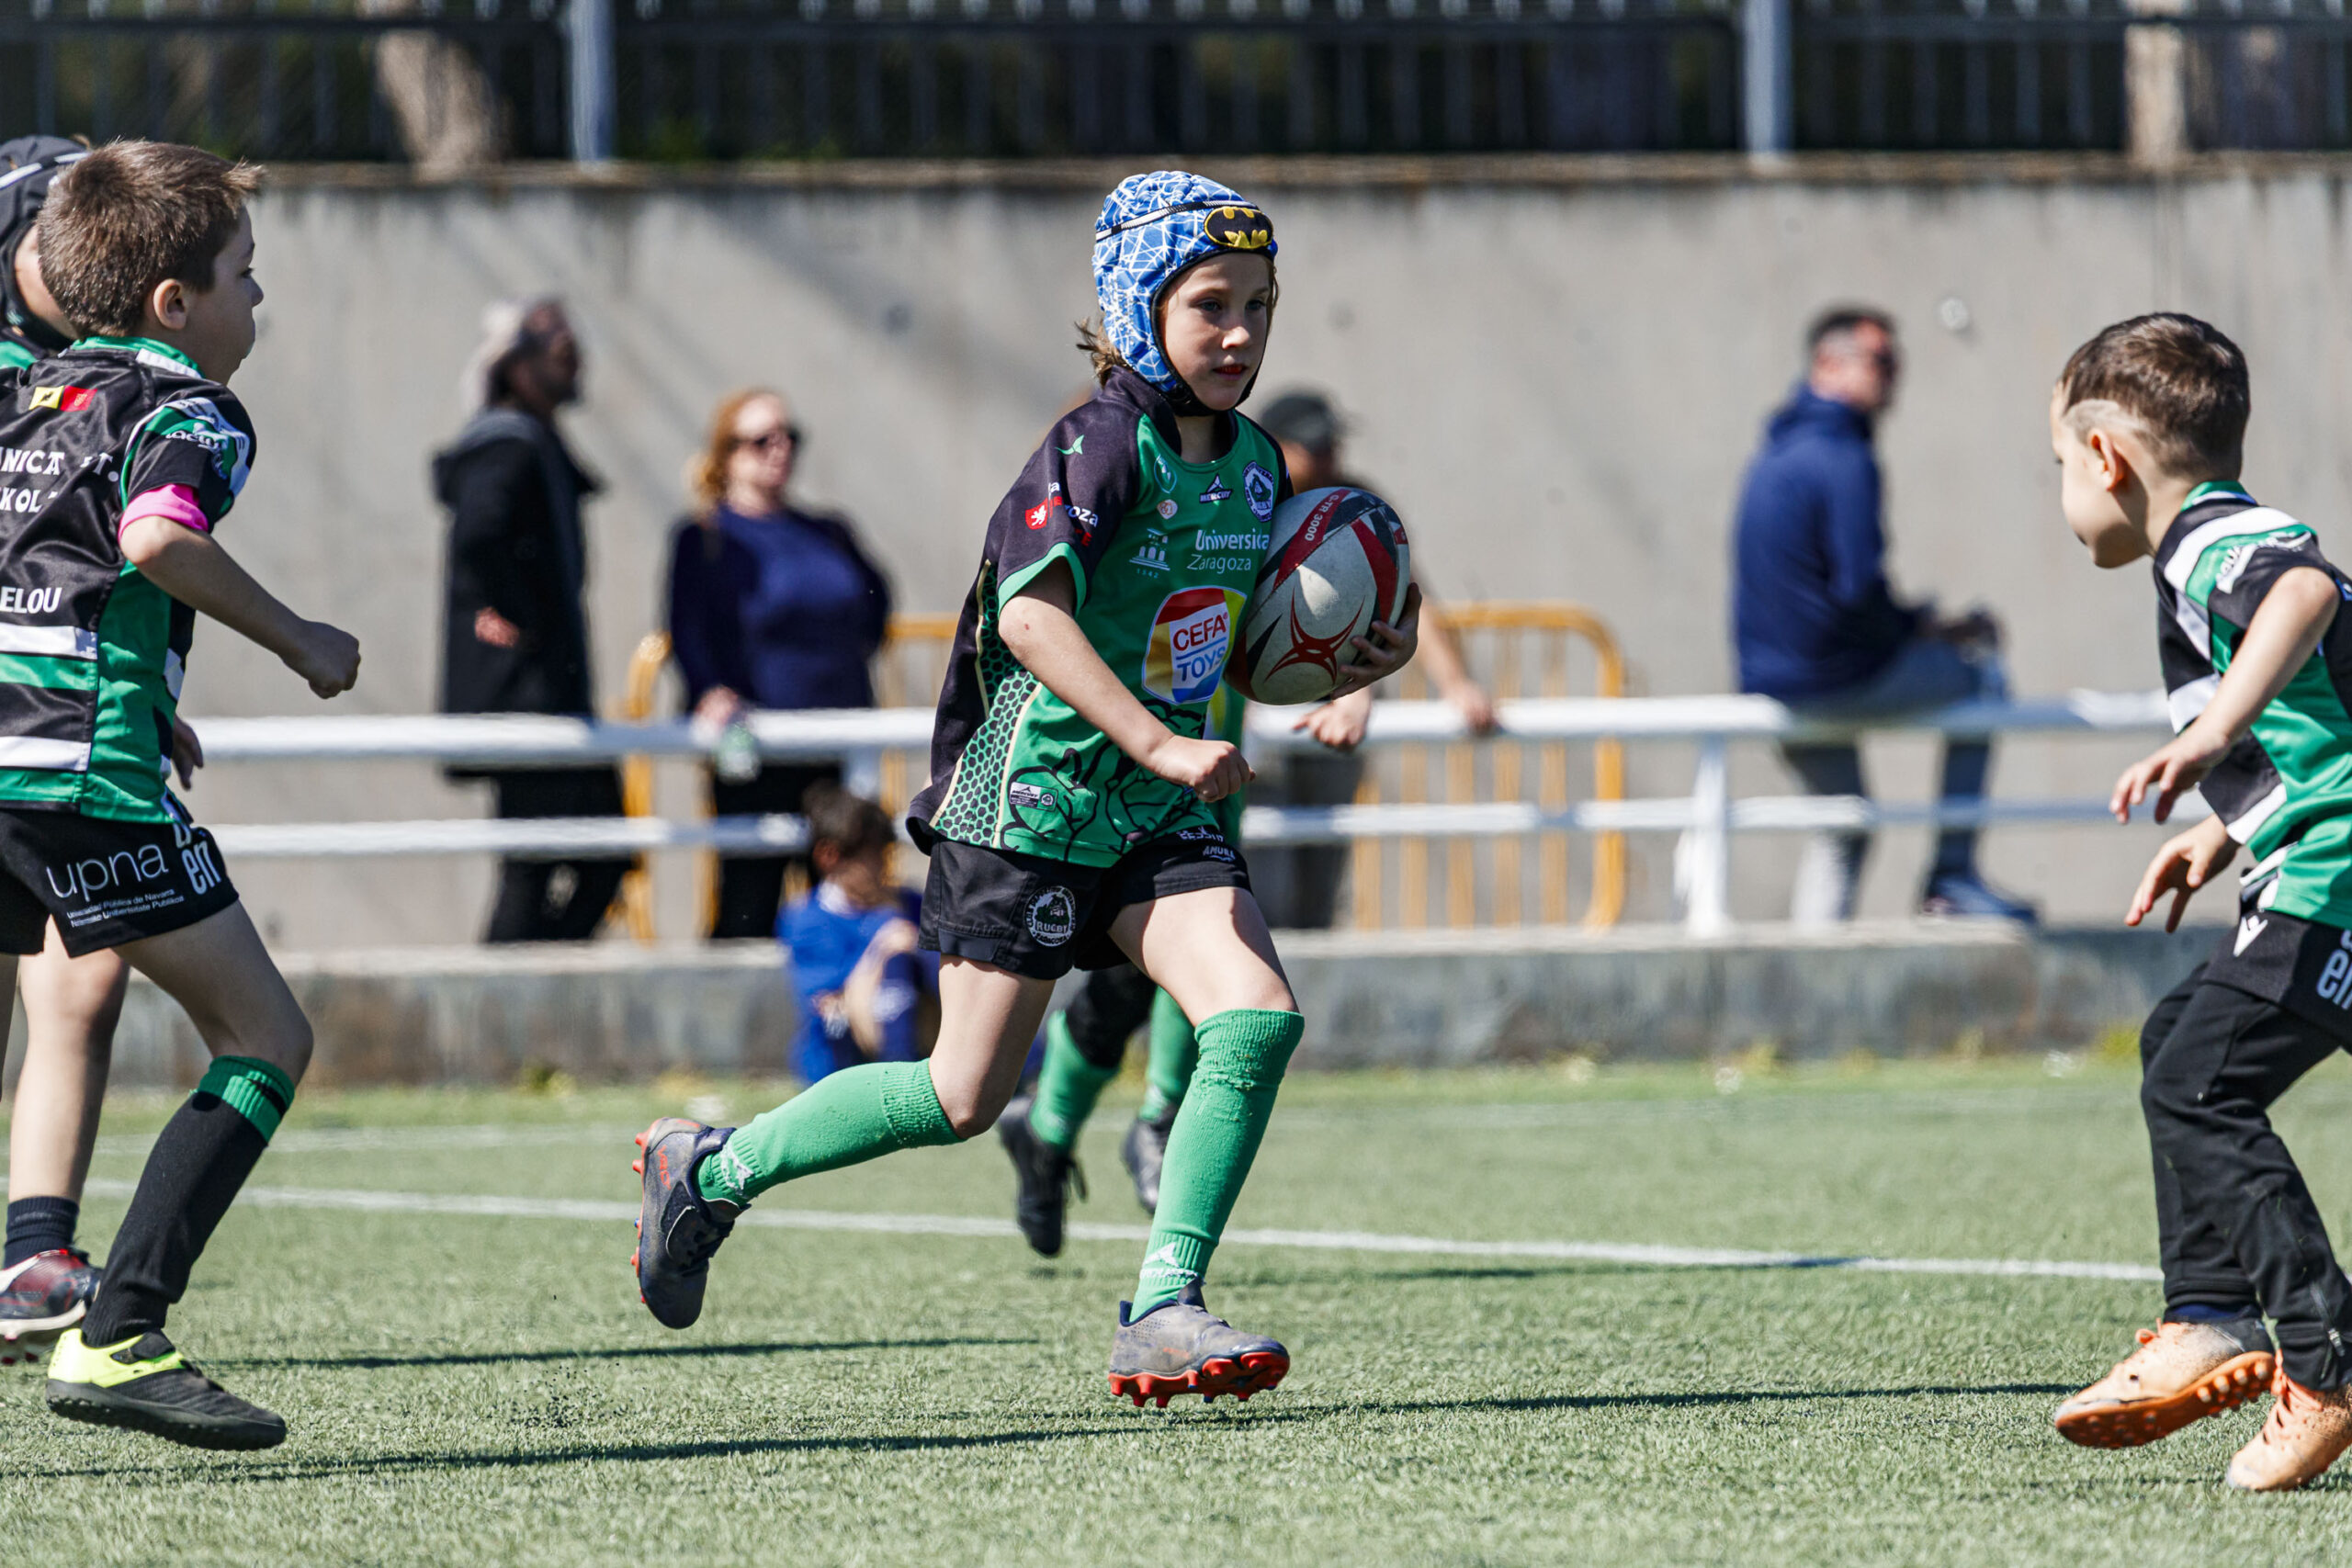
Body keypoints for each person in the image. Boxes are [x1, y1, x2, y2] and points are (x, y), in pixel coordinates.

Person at [629, 170, 1415, 1405]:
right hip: (1032, 800)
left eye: (1260, 304)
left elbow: (1233, 628)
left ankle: (1163, 1303)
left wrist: (1350, 665)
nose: (1241, 332)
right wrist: (1161, 744)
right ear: (1135, 306)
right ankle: (708, 1166)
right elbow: (1034, 617)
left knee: (1255, 1013)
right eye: (1210, 303)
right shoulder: (1096, 446)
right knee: (959, 1093)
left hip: (1153, 811)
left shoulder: (1260, 465)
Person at [7, 141, 362, 1448]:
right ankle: (117, 1331)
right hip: (72, 778)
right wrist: (302, 637)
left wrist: (149, 684)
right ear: (175, 303)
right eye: (245, 278)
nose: (256, 304)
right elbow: (157, 536)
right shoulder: (189, 408)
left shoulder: (25, 394)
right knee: (266, 1034)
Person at [2046, 313, 2352, 1491]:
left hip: (2333, 876)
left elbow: (2306, 592)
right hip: (2304, 856)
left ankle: (2322, 1358)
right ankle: (2212, 1311)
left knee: (2197, 1071)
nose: (2064, 494)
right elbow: (2327, 719)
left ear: (2107, 459)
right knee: (2184, 1044)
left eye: (2060, 468)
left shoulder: (2212, 544)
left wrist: (2212, 730)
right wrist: (2222, 831)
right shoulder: (2206, 544)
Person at [0, 132, 196, 1367]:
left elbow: (100, 543)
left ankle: (34, 1252)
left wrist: (139, 689)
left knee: (88, 966)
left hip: (66, 711)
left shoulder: (116, 362)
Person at [1731, 307, 2034, 924]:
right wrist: (1926, 629)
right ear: (1827, 364)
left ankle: (1811, 985)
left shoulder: (1778, 451)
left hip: (1774, 685)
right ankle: (1951, 877)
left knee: (1843, 828)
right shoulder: (1842, 456)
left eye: (1895, 362)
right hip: (1832, 679)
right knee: (1982, 675)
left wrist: (1911, 622)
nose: (1893, 376)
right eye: (1880, 362)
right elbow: (1857, 591)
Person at [435, 298, 628, 942]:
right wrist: (512, 610)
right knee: (532, 862)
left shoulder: (533, 441)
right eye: (561, 352)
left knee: (605, 849)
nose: (575, 365)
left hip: (552, 693)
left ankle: (537, 980)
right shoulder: (507, 444)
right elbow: (480, 534)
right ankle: (506, 1013)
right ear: (517, 367)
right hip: (524, 694)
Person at [667, 389, 891, 940]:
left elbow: (875, 603)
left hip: (836, 741)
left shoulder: (828, 530)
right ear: (727, 454)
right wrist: (709, 689)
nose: (780, 449)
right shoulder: (706, 538)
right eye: (761, 439)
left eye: (790, 436)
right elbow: (687, 629)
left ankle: (839, 1019)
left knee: (842, 896)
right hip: (755, 747)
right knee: (750, 895)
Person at [777, 785, 935, 1084]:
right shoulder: (806, 919)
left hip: (920, 1032)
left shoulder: (909, 902)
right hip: (840, 1061)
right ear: (830, 856)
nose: (883, 868)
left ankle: (1021, 1067)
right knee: (894, 965)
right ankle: (896, 1084)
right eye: (873, 857)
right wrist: (881, 950)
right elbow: (830, 1002)